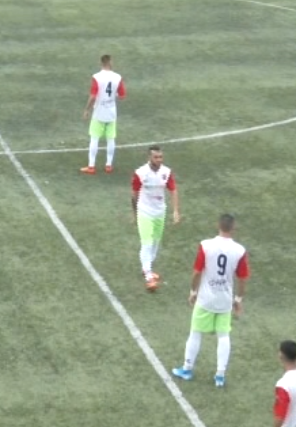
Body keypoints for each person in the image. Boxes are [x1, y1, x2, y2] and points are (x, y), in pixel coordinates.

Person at [172, 213, 250, 388]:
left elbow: (197, 272)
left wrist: (193, 291)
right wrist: (238, 299)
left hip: (206, 298)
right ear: (233, 228)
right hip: (224, 300)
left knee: (195, 332)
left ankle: (187, 368)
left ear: (218, 226)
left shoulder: (206, 246)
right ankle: (220, 375)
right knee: (224, 335)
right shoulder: (239, 251)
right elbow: (243, 278)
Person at [132, 145, 180, 290]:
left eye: (161, 157)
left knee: (156, 243)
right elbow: (134, 193)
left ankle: (148, 267)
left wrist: (175, 211)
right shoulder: (141, 173)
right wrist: (135, 213)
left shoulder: (166, 172)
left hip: (160, 212)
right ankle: (148, 276)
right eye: (156, 157)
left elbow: (173, 190)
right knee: (146, 243)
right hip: (144, 212)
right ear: (149, 157)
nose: (159, 160)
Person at [80, 54, 126, 175]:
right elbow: (122, 96)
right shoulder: (118, 77)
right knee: (111, 138)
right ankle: (108, 165)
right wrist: (112, 96)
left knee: (94, 138)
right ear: (110, 62)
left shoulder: (97, 77)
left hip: (99, 111)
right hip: (111, 112)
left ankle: (91, 166)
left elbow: (93, 95)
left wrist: (86, 109)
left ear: (101, 63)